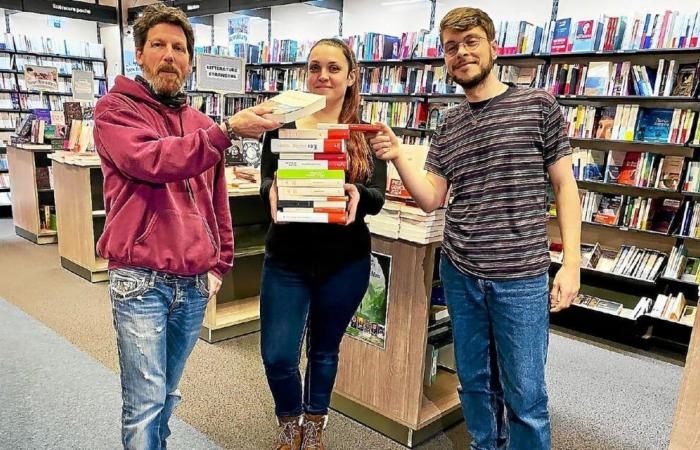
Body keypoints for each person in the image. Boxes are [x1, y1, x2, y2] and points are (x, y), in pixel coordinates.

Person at [370, 7, 581, 450]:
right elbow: (432, 198)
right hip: (461, 272)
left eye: (471, 42)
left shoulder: (537, 105)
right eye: (451, 47)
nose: (461, 53)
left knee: (525, 394)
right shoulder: (449, 123)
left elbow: (565, 186)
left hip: (520, 277)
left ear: (492, 47)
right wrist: (396, 155)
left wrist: (571, 264)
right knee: (475, 384)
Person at [93, 3, 279, 449]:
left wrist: (220, 264)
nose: (169, 55)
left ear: (190, 61)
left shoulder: (199, 123)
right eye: (158, 45)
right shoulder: (115, 111)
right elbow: (151, 161)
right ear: (139, 54)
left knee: (166, 393)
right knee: (145, 401)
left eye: (179, 47)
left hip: (194, 282)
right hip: (141, 280)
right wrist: (226, 130)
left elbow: (216, 201)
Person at [259, 38, 387, 450]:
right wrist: (271, 191)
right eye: (314, 67)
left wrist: (356, 195)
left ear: (351, 77)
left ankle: (313, 425)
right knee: (278, 355)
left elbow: (378, 195)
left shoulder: (364, 133)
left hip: (344, 260)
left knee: (324, 350)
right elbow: (266, 180)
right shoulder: (280, 125)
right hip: (287, 258)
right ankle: (288, 420)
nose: (323, 76)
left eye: (333, 68)